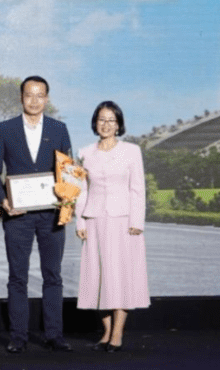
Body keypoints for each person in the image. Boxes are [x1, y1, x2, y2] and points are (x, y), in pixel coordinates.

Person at [0, 76, 74, 353]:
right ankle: (18, 337)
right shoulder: (5, 129)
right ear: (21, 97)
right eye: (29, 95)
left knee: (53, 276)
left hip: (52, 215)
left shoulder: (59, 129)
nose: (34, 101)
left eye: (40, 95)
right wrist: (3, 201)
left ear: (46, 98)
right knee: (17, 277)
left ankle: (54, 335)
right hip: (17, 215)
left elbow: (68, 171)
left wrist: (67, 199)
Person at [75, 101, 150, 352]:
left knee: (121, 276)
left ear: (118, 125)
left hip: (123, 222)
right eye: (101, 119)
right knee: (98, 276)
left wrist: (136, 221)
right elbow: (82, 191)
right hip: (94, 220)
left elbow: (137, 188)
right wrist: (80, 220)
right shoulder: (85, 153)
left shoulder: (131, 151)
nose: (106, 125)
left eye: (111, 120)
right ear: (95, 123)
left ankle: (117, 333)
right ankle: (106, 332)